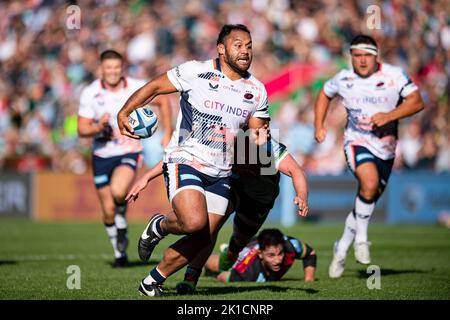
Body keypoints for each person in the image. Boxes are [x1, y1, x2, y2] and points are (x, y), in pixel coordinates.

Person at [117, 24, 273, 296]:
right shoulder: (194, 71)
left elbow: (256, 132)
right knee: (193, 222)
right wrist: (125, 111)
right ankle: (161, 225)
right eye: (238, 45)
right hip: (186, 160)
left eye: (249, 45)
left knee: (203, 236)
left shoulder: (257, 90)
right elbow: (154, 86)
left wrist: (258, 140)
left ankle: (151, 283)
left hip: (222, 172)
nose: (245, 51)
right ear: (221, 49)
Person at [126, 136, 309, 294]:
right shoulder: (221, 137)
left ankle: (226, 257)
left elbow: (296, 171)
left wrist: (302, 196)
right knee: (208, 228)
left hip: (258, 201)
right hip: (234, 189)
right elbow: (182, 155)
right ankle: (191, 277)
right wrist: (147, 176)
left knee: (236, 247)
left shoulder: (266, 144)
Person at [313, 35, 425, 278]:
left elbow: (417, 102)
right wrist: (319, 126)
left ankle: (341, 247)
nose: (362, 61)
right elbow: (324, 93)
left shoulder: (393, 75)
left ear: (376, 56)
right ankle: (361, 240)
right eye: (357, 56)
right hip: (356, 141)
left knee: (367, 197)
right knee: (369, 183)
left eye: (367, 56)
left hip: (385, 149)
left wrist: (390, 115)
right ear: (351, 57)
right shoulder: (344, 78)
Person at [77, 50, 171, 267]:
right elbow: (82, 129)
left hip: (128, 152)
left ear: (122, 68)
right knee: (108, 212)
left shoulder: (135, 87)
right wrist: (97, 127)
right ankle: (120, 251)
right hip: (101, 155)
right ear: (101, 69)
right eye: (108, 67)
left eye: (116, 67)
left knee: (119, 192)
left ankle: (120, 226)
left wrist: (166, 132)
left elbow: (164, 101)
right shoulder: (91, 93)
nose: (112, 71)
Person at [204, 228, 316, 283]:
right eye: (271, 255)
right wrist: (213, 275)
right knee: (218, 264)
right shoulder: (249, 272)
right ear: (260, 254)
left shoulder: (291, 245)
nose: (277, 260)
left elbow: (310, 253)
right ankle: (208, 255)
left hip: (255, 244)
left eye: (280, 254)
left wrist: (309, 279)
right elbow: (223, 276)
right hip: (244, 255)